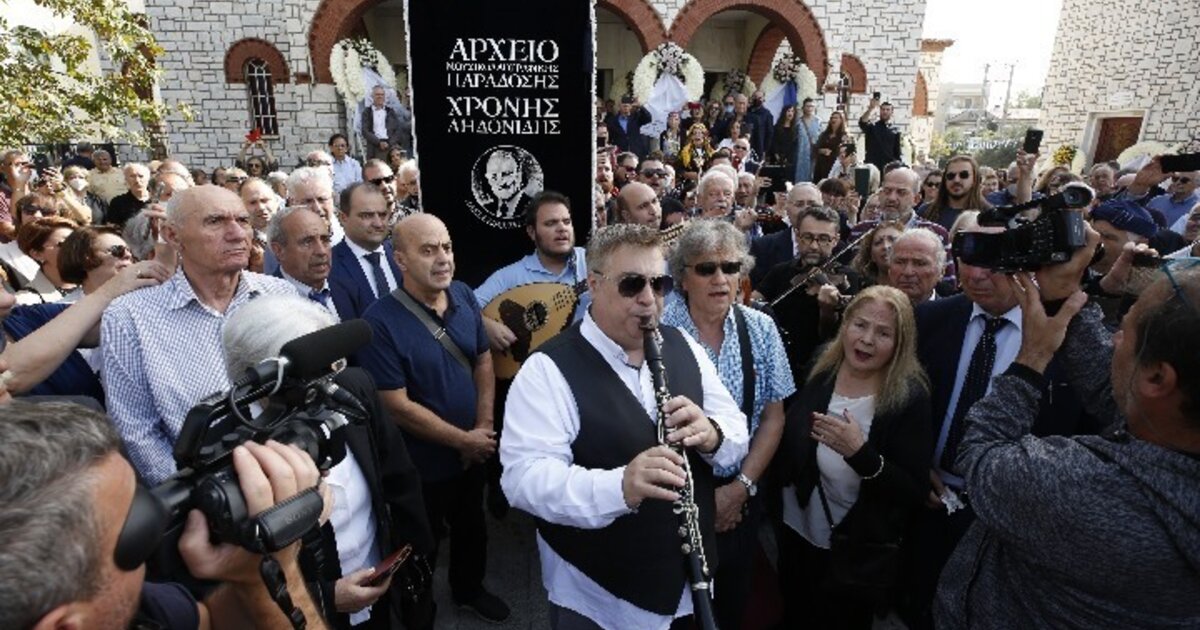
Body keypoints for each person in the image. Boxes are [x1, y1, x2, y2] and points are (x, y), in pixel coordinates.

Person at [933, 229, 1200, 627]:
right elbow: (1113, 391)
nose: (1112, 340)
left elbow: (981, 453)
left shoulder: (1086, 492)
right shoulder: (1176, 424)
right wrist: (1061, 296)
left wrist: (1032, 358)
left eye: (1123, 331)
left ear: (1159, 378)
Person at [500, 223, 749, 630]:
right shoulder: (546, 370)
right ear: (594, 285)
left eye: (659, 284)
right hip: (599, 598)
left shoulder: (682, 344)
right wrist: (619, 487)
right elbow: (523, 479)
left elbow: (736, 429)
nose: (649, 299)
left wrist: (712, 434)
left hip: (689, 586)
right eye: (632, 284)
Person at [903, 215, 1097, 629]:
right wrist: (915, 465)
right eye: (967, 258)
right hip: (928, 503)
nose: (976, 275)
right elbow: (904, 406)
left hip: (1012, 527)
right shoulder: (930, 320)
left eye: (994, 262)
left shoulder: (1068, 336)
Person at [0, 400, 331, 630]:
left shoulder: (137, 606)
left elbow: (210, 623)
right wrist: (282, 572)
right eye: (138, 533)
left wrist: (249, 572)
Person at [221, 295, 436, 629]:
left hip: (383, 586)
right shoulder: (227, 449)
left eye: (333, 366)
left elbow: (399, 477)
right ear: (265, 377)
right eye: (314, 372)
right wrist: (325, 596)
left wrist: (416, 556)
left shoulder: (354, 387)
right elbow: (236, 576)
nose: (330, 384)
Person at [356, 213, 511, 624]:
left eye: (446, 247)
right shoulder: (378, 322)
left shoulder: (462, 294)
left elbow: (482, 359)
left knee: (472, 526)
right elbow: (396, 405)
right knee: (419, 547)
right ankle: (418, 613)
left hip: (472, 454)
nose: (443, 258)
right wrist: (463, 441)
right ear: (400, 260)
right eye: (428, 250)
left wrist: (482, 428)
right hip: (420, 468)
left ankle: (469, 589)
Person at [101, 185, 296, 483]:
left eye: (243, 221)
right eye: (215, 221)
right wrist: (195, 497)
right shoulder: (129, 317)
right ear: (172, 235)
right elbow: (137, 430)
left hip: (296, 470)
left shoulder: (280, 294)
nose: (237, 234)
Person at [775, 285, 931, 629]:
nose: (867, 340)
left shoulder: (909, 398)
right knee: (794, 608)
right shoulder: (823, 365)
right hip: (795, 525)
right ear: (845, 324)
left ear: (900, 342)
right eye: (860, 325)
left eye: (884, 333)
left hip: (852, 549)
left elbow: (913, 490)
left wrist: (860, 454)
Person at [662, 220, 794, 629]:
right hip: (673, 498)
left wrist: (740, 489)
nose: (720, 278)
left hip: (743, 491)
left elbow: (773, 417)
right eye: (706, 268)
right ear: (683, 277)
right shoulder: (658, 331)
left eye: (731, 267)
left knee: (732, 602)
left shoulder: (761, 327)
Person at [754, 206, 861, 376]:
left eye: (824, 239)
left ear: (835, 240)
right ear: (797, 236)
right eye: (807, 237)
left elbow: (833, 338)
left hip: (821, 369)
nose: (814, 246)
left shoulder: (848, 279)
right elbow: (753, 302)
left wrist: (827, 310)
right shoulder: (780, 271)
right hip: (779, 363)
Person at [329, 182, 402, 320]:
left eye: (382, 215)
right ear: (343, 218)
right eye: (367, 215)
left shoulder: (402, 254)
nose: (378, 223)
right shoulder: (329, 266)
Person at [748, 183, 824, 287]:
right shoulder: (763, 246)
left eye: (813, 205)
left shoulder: (839, 248)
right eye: (799, 204)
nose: (806, 210)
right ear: (787, 209)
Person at [13, 217, 78, 305]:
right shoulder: (26, 302)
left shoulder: (93, 284)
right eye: (65, 243)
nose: (77, 248)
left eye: (79, 242)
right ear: (37, 254)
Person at [921, 155, 991, 232]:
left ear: (975, 179)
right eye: (951, 176)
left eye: (964, 175)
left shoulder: (989, 215)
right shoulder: (926, 212)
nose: (956, 180)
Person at [886, 228, 949, 305]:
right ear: (889, 268)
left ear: (941, 271)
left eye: (920, 264)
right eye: (900, 262)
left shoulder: (955, 312)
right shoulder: (873, 310)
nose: (908, 272)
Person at [288, 165, 345, 246]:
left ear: (332, 198)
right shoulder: (283, 243)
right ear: (292, 203)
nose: (317, 208)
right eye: (308, 201)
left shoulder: (351, 235)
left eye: (322, 199)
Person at [361, 85, 413, 160]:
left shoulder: (390, 111)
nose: (380, 96)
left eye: (382, 95)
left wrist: (390, 143)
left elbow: (398, 130)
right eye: (377, 94)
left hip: (391, 146)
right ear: (372, 96)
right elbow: (365, 131)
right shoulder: (367, 112)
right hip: (375, 146)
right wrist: (379, 143)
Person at [482, 148, 535, 221]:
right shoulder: (486, 209)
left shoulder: (535, 208)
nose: (500, 182)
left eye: (506, 174)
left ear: (519, 175)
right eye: (493, 176)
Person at [851, 220, 905, 287]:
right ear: (872, 255)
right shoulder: (859, 289)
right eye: (878, 242)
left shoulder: (916, 289)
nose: (886, 246)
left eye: (893, 240)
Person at [858, 97, 901, 171]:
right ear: (880, 111)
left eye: (887, 110)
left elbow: (897, 151)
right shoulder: (873, 126)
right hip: (873, 166)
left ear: (892, 112)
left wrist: (898, 165)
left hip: (888, 166)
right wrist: (870, 108)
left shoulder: (895, 130)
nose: (885, 112)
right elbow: (862, 122)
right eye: (883, 109)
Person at [106, 162, 153, 229]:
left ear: (148, 178)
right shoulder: (118, 203)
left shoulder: (158, 199)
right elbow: (112, 227)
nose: (137, 180)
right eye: (132, 176)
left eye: (141, 176)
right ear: (125, 180)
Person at [813, 111, 849, 182]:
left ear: (841, 120)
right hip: (821, 165)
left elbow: (846, 151)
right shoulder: (824, 134)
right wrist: (822, 151)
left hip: (835, 165)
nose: (833, 120)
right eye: (832, 118)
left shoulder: (844, 136)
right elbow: (816, 148)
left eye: (836, 118)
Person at [791, 99, 820, 183]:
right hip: (800, 154)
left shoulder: (818, 121)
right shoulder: (798, 122)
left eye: (812, 106)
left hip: (813, 154)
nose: (810, 108)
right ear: (803, 107)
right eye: (807, 106)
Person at [329, 133, 364, 197]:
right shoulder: (327, 165)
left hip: (353, 197)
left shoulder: (354, 164)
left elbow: (360, 183)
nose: (340, 148)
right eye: (336, 146)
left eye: (342, 146)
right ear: (331, 148)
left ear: (347, 148)